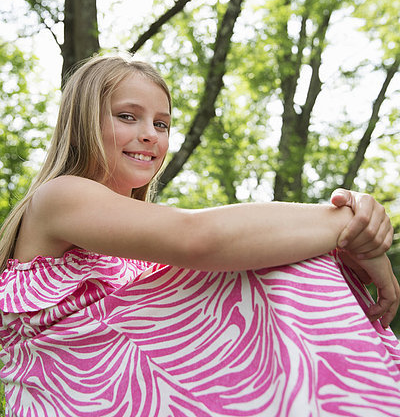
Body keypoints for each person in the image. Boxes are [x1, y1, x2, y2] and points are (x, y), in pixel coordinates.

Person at [0, 53, 399, 417]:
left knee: (276, 251)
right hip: (71, 404)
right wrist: (346, 225)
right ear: (81, 122)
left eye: (161, 123)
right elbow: (199, 237)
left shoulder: (136, 259)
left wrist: (344, 241)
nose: (149, 134)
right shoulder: (58, 197)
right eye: (127, 116)